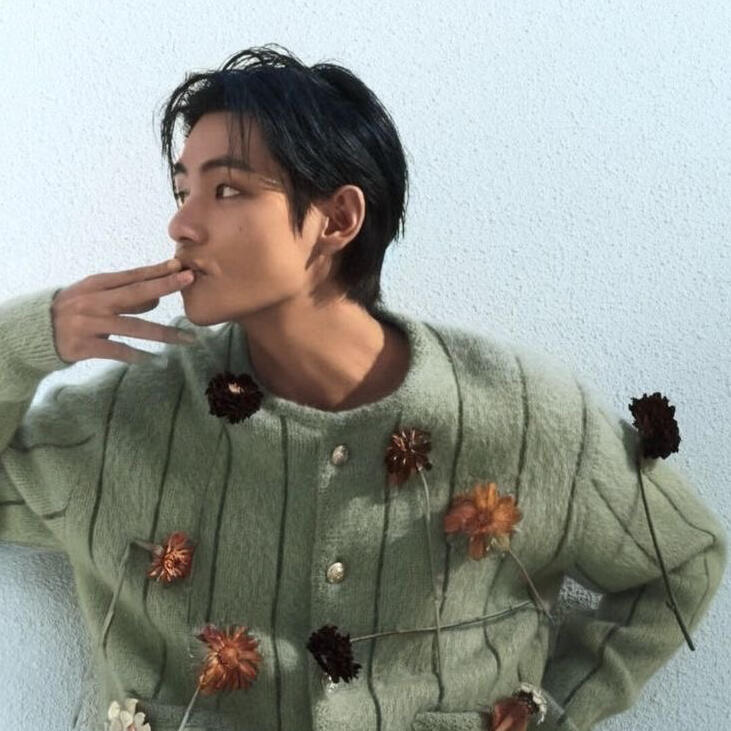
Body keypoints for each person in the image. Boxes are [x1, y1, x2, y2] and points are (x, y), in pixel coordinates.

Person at [0, 44, 725, 731]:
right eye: (182, 189)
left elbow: (683, 560)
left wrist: (554, 709)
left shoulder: (525, 415)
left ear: (339, 219)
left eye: (225, 189)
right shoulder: (128, 418)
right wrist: (36, 335)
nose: (181, 223)